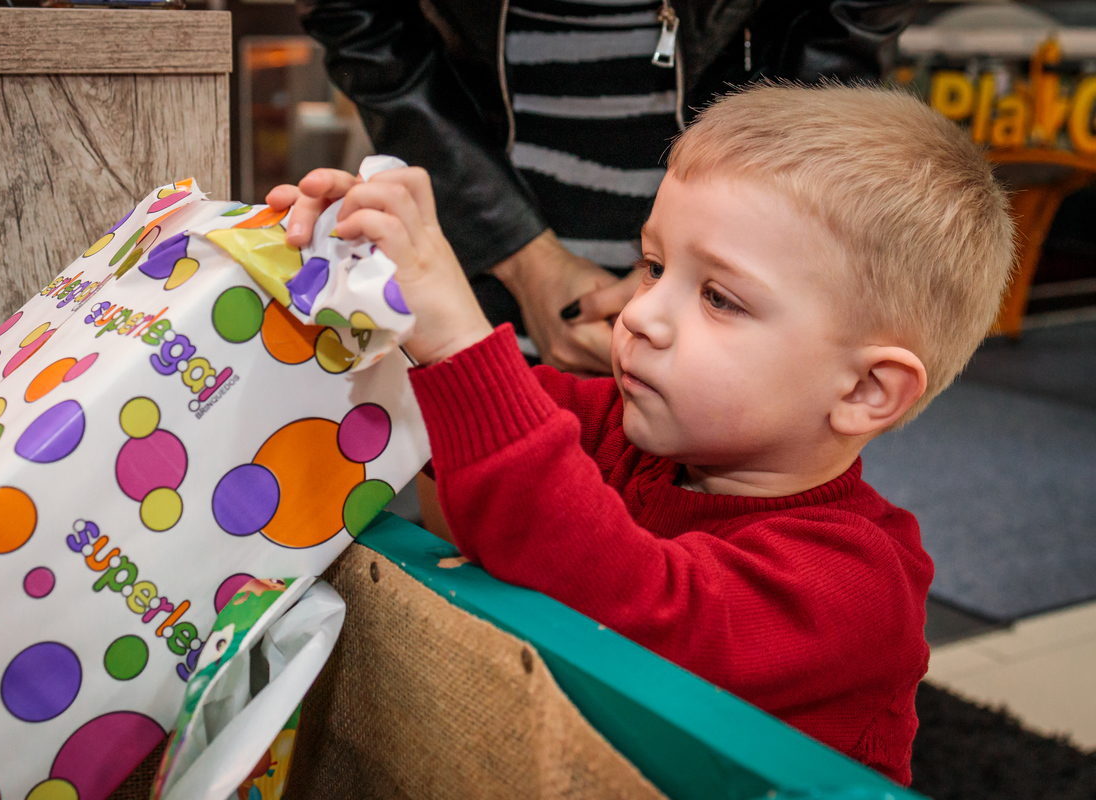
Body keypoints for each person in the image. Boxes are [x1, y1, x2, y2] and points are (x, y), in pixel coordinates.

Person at [265, 84, 1014, 784]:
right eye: (654, 266)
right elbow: (471, 415)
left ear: (864, 390)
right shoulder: (626, 430)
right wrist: (362, 294)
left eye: (719, 298)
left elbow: (632, 608)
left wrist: (459, 340)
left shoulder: (857, 584)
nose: (641, 315)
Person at [294, 0, 926, 374]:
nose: (642, 317)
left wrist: (707, 255)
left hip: (742, 187)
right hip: (479, 181)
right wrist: (518, 256)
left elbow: (841, 36)